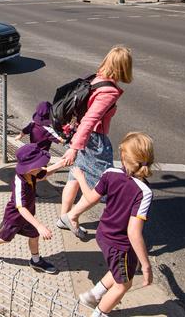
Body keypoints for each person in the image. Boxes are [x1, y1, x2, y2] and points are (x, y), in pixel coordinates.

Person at [71, 132, 154, 317]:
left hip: (104, 235)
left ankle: (93, 295)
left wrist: (81, 179)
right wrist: (146, 265)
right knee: (123, 284)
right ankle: (98, 313)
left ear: (123, 158)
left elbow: (91, 199)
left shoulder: (110, 174)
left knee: (122, 271)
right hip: (120, 244)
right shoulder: (144, 192)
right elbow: (134, 232)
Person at [57, 45, 133, 240]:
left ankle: (63, 217)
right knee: (102, 186)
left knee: (75, 177)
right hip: (93, 140)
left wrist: (75, 143)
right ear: (124, 67)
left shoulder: (95, 79)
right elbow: (91, 120)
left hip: (79, 134)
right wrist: (75, 148)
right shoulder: (109, 91)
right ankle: (72, 217)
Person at [0, 143, 66, 274]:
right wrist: (39, 225)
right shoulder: (20, 182)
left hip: (28, 217)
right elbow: (21, 208)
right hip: (14, 218)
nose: (42, 167)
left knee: (34, 235)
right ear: (29, 168)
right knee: (3, 238)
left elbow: (44, 174)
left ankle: (35, 260)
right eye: (40, 165)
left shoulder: (33, 173)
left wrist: (60, 164)